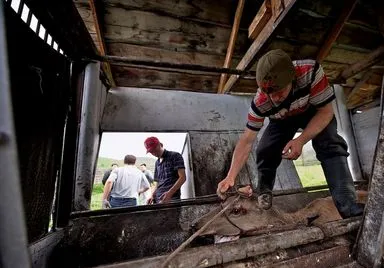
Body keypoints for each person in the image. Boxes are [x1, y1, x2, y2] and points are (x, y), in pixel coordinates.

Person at [216, 49, 364, 218]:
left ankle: (348, 205)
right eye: (270, 93)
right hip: (281, 120)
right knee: (265, 150)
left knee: (330, 143)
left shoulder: (310, 72)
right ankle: (264, 190)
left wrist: (301, 140)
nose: (275, 98)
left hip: (314, 111)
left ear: (293, 79)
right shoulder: (261, 102)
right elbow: (246, 140)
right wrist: (230, 175)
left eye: (279, 91)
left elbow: (326, 112)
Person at [144, 137, 186, 204]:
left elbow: (182, 178)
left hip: (172, 199)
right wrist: (152, 195)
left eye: (154, 149)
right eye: (151, 151)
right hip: (157, 200)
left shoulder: (175, 156)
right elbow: (157, 181)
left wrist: (169, 194)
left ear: (161, 144)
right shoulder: (157, 163)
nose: (153, 153)